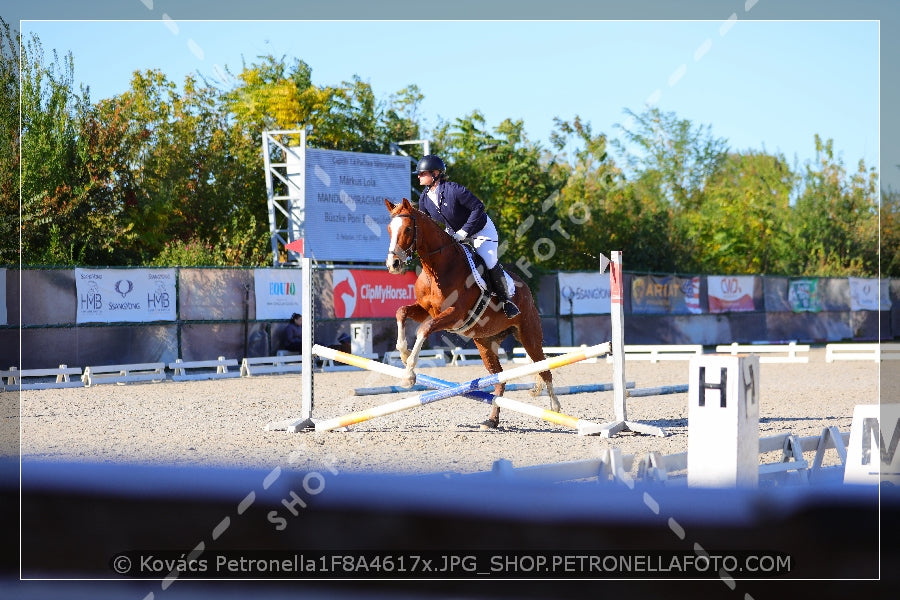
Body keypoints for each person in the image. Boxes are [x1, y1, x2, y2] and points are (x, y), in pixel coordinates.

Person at [413, 154, 520, 318]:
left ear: (435, 173)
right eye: (419, 174)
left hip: (480, 230)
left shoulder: (454, 190)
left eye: (422, 173)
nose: (419, 176)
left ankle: (506, 301)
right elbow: (424, 224)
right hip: (454, 232)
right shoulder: (424, 198)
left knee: (489, 261)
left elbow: (478, 207)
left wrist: (464, 232)